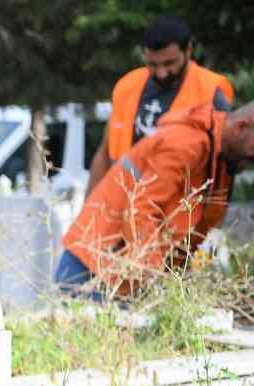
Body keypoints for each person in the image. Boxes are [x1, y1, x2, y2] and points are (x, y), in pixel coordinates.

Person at [57, 102, 253, 296]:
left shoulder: (219, 158)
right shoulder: (188, 144)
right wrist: (154, 277)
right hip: (93, 264)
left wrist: (174, 280)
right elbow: (141, 210)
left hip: (116, 267)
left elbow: (184, 228)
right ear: (241, 127)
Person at [85, 15, 234, 200]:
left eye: (169, 63)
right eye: (153, 65)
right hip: (125, 206)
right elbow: (104, 154)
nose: (162, 73)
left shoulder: (210, 92)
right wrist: (88, 213)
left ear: (188, 50)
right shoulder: (127, 87)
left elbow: (229, 162)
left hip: (178, 211)